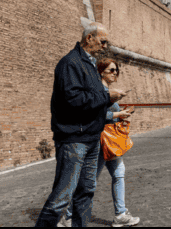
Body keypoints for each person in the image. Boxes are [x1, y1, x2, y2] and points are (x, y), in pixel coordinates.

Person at [35, 23, 127, 227]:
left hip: (91, 139)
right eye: (102, 41)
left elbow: (92, 102)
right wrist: (106, 95)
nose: (105, 46)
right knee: (62, 196)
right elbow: (73, 100)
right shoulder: (71, 63)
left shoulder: (90, 64)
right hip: (73, 139)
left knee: (85, 193)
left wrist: (109, 103)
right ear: (89, 39)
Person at [58, 59, 139, 228]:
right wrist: (119, 114)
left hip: (109, 140)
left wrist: (120, 111)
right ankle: (69, 216)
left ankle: (120, 214)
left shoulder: (106, 90)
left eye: (116, 70)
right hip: (99, 141)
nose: (115, 72)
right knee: (90, 181)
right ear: (101, 72)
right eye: (111, 70)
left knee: (118, 173)